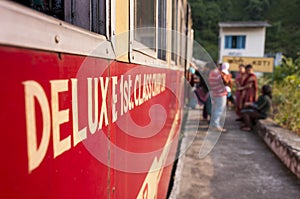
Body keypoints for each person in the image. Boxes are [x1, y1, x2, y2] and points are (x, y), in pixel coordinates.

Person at [207, 63, 227, 132]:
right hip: (220, 93)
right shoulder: (218, 74)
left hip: (214, 92)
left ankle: (212, 124)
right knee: (219, 109)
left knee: (215, 109)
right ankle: (216, 125)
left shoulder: (211, 73)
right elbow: (224, 82)